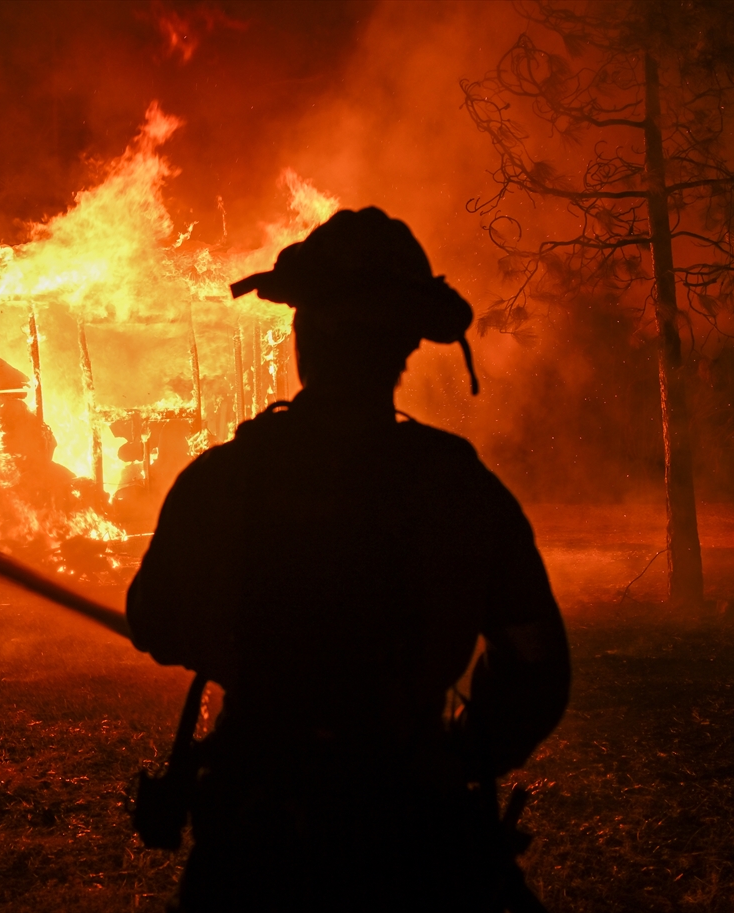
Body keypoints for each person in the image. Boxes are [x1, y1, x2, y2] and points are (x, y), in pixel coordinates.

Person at [126, 207, 570, 912]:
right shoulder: (460, 490)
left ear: (303, 336)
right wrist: (461, 754)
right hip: (417, 837)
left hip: (253, 843)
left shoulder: (221, 481)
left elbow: (156, 621)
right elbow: (536, 662)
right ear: (403, 349)